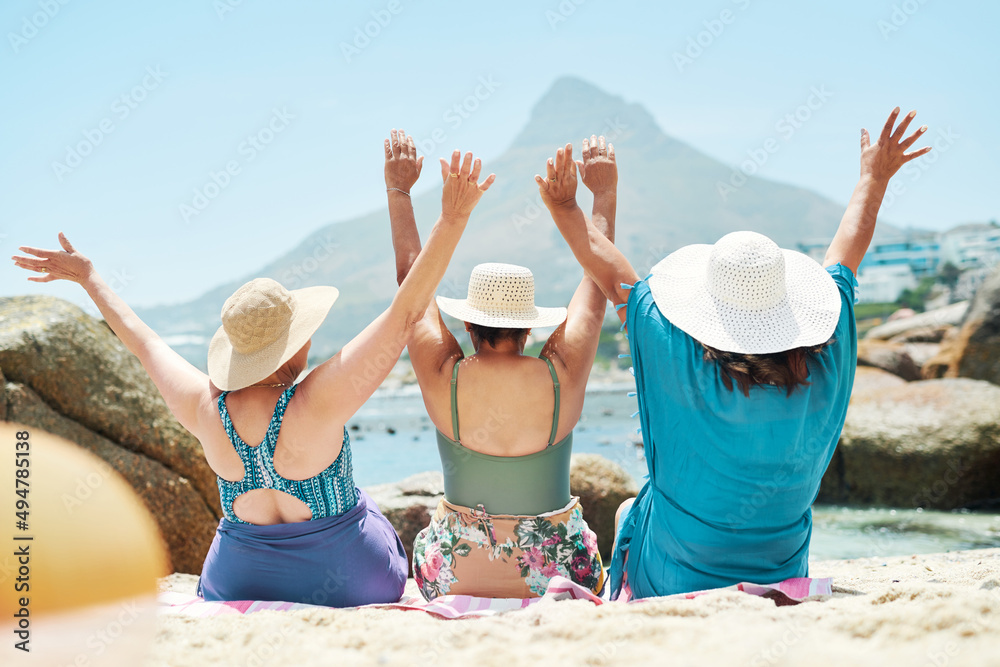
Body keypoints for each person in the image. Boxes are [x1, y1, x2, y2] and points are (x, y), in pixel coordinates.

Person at [11, 139, 495, 606]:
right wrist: (453, 218)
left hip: (237, 578)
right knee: (365, 510)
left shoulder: (205, 408)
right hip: (348, 578)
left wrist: (90, 278)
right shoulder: (317, 400)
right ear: (294, 346)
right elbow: (407, 312)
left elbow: (144, 343)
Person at [536, 108, 932, 599]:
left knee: (628, 511)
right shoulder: (830, 356)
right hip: (783, 572)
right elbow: (846, 255)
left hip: (675, 580)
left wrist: (568, 204)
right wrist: (874, 178)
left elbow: (610, 271)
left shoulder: (672, 349)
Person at [384, 130, 616, 599]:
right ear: (529, 330)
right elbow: (597, 287)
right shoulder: (561, 375)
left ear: (468, 326)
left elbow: (411, 282)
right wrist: (603, 196)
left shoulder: (444, 377)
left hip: (456, 576)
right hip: (556, 575)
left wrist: (400, 191)